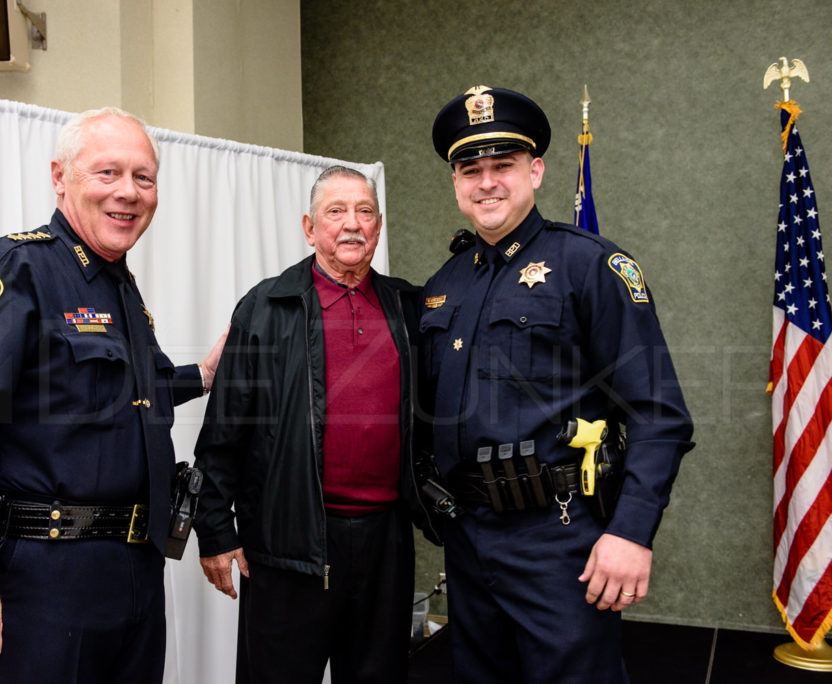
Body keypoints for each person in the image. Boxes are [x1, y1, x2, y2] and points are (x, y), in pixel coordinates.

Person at [0, 107, 225, 683]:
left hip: (134, 573)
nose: (128, 193)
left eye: (143, 177)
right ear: (61, 178)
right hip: (45, 579)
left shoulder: (119, 284)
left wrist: (201, 376)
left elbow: (128, 393)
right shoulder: (12, 270)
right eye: (107, 173)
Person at [419, 85, 695, 683]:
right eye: (471, 169)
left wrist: (630, 532)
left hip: (558, 536)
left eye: (504, 166)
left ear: (536, 171)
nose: (487, 182)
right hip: (467, 538)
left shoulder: (589, 266)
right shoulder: (445, 283)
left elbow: (659, 413)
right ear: (456, 181)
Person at [193, 166, 430, 684]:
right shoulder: (265, 307)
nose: (352, 225)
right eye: (336, 212)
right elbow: (224, 430)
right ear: (309, 227)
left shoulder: (409, 308)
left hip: (384, 542)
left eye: (364, 212)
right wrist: (213, 530)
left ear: (379, 225)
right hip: (287, 543)